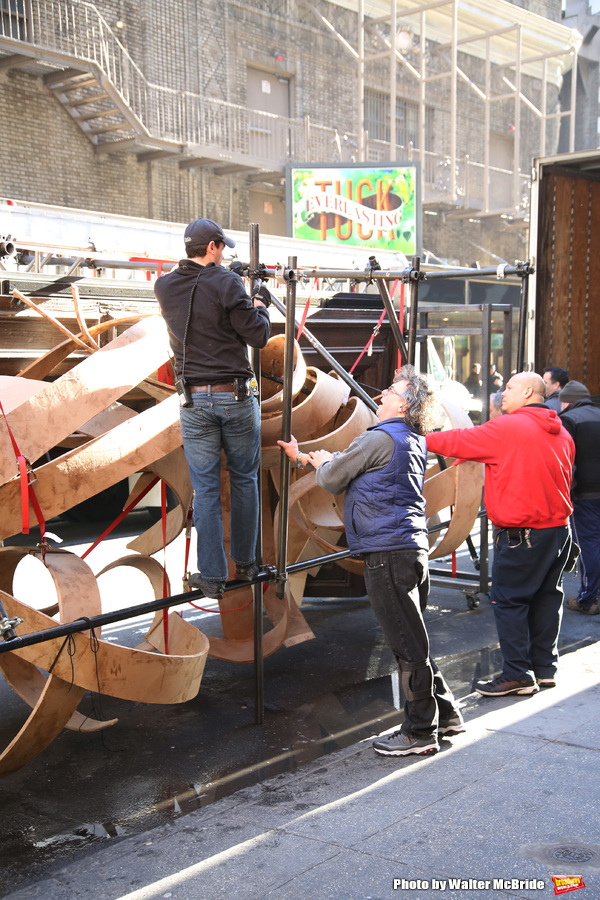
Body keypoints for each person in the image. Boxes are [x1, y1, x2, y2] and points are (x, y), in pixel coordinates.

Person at [278, 365, 464, 758]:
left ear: (405, 403)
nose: (381, 395)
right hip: (411, 548)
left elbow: (331, 479)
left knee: (407, 645)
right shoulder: (413, 437)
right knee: (413, 637)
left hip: (388, 552)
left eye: (391, 390)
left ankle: (418, 732)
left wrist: (317, 461)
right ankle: (446, 714)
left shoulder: (380, 436)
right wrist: (321, 460)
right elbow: (346, 469)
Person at [427, 372, 574, 696]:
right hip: (558, 531)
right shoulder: (561, 431)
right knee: (547, 600)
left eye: (508, 388)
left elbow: (456, 441)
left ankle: (517, 675)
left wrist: (415, 437)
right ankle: (544, 670)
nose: (502, 393)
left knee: (510, 602)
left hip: (522, 533)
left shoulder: (507, 428)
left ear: (527, 391)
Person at [154, 217, 272, 599]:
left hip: (192, 401)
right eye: (222, 248)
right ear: (212, 247)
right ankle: (248, 562)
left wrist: (229, 280)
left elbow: (199, 293)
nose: (223, 255)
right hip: (234, 397)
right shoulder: (225, 282)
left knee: (204, 490)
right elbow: (258, 333)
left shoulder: (164, 286)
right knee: (244, 480)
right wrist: (258, 301)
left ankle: (212, 577)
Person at [559, 380, 600, 616]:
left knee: (589, 544)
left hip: (587, 492)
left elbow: (567, 460)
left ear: (567, 401)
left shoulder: (570, 419)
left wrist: (568, 492)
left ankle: (589, 599)